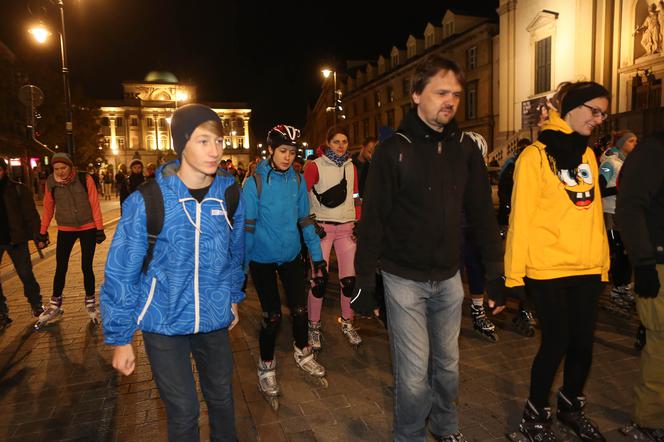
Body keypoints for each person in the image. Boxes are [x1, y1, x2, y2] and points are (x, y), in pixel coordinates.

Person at [353, 54, 505, 441]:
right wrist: (364, 282)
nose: (450, 101)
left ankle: (446, 426)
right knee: (414, 373)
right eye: (441, 92)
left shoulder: (464, 150)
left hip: (449, 279)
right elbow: (372, 223)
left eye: (455, 93)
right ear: (416, 95)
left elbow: (481, 216)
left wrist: (494, 273)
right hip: (403, 280)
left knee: (449, 367)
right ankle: (410, 436)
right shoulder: (393, 151)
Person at [101, 104, 244, 441]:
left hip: (212, 317)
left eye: (219, 141)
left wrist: (233, 296)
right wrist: (121, 338)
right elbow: (122, 270)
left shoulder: (230, 194)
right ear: (182, 143)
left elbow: (234, 253)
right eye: (203, 141)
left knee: (223, 400)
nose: (215, 151)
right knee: (183, 413)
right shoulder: (148, 200)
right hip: (163, 322)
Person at [505, 81, 611, 441]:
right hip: (546, 269)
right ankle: (534, 416)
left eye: (604, 113)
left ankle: (570, 408)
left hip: (586, 268)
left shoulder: (589, 156)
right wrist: (514, 277)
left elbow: (594, 214)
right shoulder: (534, 155)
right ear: (573, 107)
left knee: (583, 343)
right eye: (594, 110)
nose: (599, 119)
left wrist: (602, 264)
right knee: (556, 342)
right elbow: (520, 219)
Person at [242, 124, 327, 409]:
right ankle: (266, 366)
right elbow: (248, 228)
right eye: (282, 151)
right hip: (262, 258)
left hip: (291, 255)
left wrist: (317, 257)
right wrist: (241, 269)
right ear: (270, 150)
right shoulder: (254, 182)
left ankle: (303, 352)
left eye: (292, 152)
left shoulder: (298, 180)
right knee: (273, 317)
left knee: (300, 310)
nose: (288, 157)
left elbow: (305, 220)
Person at [615, 130, 664, 442]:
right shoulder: (653, 152)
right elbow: (630, 208)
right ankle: (650, 418)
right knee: (661, 344)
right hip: (659, 263)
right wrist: (644, 263)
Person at [303, 126, 363, 352]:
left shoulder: (351, 167)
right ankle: (314, 326)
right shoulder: (315, 166)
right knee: (318, 281)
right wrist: (309, 224)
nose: (341, 145)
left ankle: (348, 321)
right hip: (323, 229)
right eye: (336, 141)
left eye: (344, 141)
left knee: (349, 281)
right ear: (328, 142)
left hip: (347, 228)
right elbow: (302, 196)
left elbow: (356, 195)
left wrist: (358, 219)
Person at [36, 153, 106, 328]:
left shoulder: (85, 178)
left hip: (87, 226)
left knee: (86, 266)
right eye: (56, 169)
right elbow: (48, 207)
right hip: (65, 228)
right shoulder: (51, 182)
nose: (60, 172)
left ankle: (90, 302)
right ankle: (54, 305)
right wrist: (42, 232)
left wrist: (99, 228)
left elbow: (94, 203)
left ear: (70, 167)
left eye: (63, 168)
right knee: (61, 266)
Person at [0, 159, 45, 329]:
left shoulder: (17, 189)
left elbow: (30, 215)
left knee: (25, 273)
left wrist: (39, 236)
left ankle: (36, 305)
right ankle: (2, 313)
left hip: (16, 239)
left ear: (4, 170)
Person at [599, 130, 638, 313]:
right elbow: (598, 188)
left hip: (624, 214)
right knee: (618, 254)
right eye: (631, 141)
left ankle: (624, 286)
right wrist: (621, 189)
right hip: (611, 213)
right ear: (621, 143)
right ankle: (616, 290)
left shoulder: (625, 162)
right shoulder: (609, 163)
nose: (634, 144)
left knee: (626, 252)